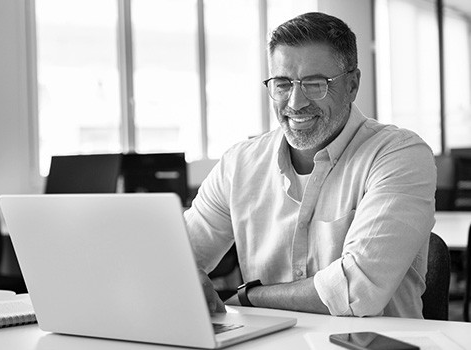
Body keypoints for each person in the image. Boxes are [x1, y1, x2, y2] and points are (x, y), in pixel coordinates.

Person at [184, 12, 436, 318]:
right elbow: (177, 255)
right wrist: (180, 275)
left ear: (352, 85)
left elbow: (356, 290)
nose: (295, 102)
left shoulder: (399, 154)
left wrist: (248, 298)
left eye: (315, 84)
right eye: (282, 84)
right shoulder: (239, 164)